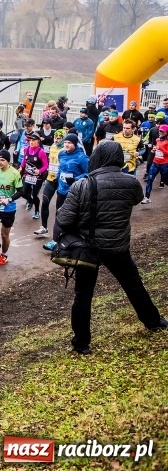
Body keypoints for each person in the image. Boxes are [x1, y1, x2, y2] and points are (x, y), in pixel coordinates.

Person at [56, 141, 167, 355]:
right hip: (118, 246)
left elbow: (64, 219)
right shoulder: (131, 183)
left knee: (83, 295)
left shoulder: (83, 184)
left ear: (97, 157)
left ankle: (81, 343)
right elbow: (134, 201)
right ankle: (154, 322)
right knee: (134, 286)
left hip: (88, 248)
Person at [42, 133, 88, 250]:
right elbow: (61, 169)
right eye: (66, 142)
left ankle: (73, 241)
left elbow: (89, 173)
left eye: (69, 143)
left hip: (75, 192)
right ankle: (54, 241)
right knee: (59, 214)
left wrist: (75, 179)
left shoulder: (81, 157)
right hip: (62, 190)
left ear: (75, 144)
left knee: (73, 217)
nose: (66, 145)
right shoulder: (61, 154)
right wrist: (57, 179)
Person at [0, 150, 24, 266]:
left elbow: (21, 191)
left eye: (3, 160)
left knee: (4, 235)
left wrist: (9, 199)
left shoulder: (15, 173)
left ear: (8, 161)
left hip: (8, 208)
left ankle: (4, 254)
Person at [19, 133, 49, 220]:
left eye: (33, 140)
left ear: (38, 141)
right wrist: (21, 167)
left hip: (37, 177)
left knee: (35, 195)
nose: (31, 142)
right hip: (27, 175)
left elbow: (46, 165)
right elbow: (24, 160)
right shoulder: (26, 149)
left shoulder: (41, 152)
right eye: (30, 141)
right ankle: (30, 201)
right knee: (23, 193)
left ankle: (36, 211)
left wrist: (39, 171)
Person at [142, 124, 168, 204]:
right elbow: (157, 149)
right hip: (155, 163)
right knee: (150, 180)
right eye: (159, 130)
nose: (160, 132)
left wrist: (161, 149)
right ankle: (146, 197)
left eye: (162, 131)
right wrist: (154, 150)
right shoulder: (157, 140)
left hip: (165, 165)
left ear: (166, 132)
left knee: (166, 182)